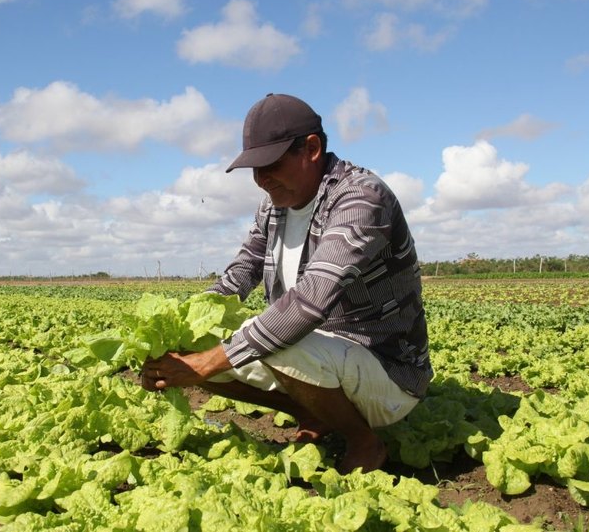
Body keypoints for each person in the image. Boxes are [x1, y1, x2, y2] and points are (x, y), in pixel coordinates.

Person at [142, 93, 432, 474]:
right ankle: (315, 414)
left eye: (271, 165)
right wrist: (179, 335)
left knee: (273, 337)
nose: (262, 180)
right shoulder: (275, 204)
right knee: (199, 342)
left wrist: (206, 363)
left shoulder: (361, 198)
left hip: (385, 370)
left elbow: (310, 302)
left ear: (311, 149)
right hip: (319, 360)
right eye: (255, 169)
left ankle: (365, 443)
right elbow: (242, 271)